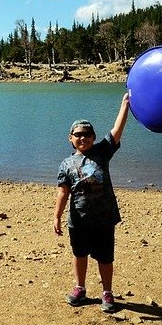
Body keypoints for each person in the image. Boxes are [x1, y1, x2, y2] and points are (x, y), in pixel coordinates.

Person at [53, 93, 130, 313]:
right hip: (79, 220)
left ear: (94, 137)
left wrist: (124, 105)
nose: (83, 138)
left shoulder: (102, 152)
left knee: (105, 257)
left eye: (87, 134)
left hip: (104, 218)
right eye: (78, 134)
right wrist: (57, 216)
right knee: (79, 255)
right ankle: (80, 288)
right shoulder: (67, 164)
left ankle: (107, 291)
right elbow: (63, 191)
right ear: (70, 138)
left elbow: (117, 129)